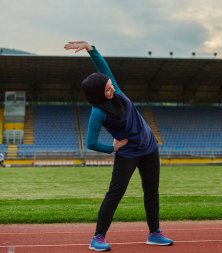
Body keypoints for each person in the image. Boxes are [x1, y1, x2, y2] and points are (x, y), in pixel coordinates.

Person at [64, 41, 173, 251]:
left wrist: (91, 49)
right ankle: (97, 238)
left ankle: (154, 233)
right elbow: (91, 142)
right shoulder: (98, 112)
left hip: (150, 148)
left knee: (152, 192)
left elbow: (103, 68)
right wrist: (112, 148)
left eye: (111, 85)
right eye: (106, 88)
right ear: (97, 93)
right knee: (115, 194)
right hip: (128, 154)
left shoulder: (117, 92)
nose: (111, 88)